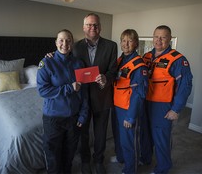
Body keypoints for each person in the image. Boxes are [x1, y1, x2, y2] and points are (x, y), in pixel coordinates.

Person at [37, 29, 89, 174]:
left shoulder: (78, 63)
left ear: (72, 43)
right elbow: (43, 91)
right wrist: (68, 88)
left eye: (68, 40)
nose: (64, 44)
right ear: (56, 42)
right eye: (61, 40)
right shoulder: (46, 63)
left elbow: (83, 92)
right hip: (53, 119)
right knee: (53, 156)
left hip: (73, 118)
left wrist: (83, 114)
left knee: (69, 154)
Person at [143, 25, 193, 174]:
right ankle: (145, 158)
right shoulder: (146, 57)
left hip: (163, 106)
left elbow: (185, 85)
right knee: (145, 134)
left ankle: (163, 168)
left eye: (163, 37)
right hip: (145, 102)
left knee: (161, 138)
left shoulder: (178, 59)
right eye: (156, 36)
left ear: (169, 39)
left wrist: (176, 109)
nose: (159, 40)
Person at [73, 13, 117, 174]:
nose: (93, 27)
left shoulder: (111, 46)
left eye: (96, 25)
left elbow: (113, 70)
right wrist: (49, 56)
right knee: (83, 133)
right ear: (84, 27)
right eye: (89, 25)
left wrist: (106, 78)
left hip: (102, 96)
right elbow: (65, 64)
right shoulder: (75, 46)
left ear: (100, 27)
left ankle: (98, 160)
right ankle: (85, 160)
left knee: (100, 133)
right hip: (82, 99)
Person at [111, 29, 148, 174]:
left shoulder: (139, 66)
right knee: (119, 136)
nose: (126, 44)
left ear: (136, 44)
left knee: (129, 141)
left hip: (128, 109)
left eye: (130, 40)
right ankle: (121, 158)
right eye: (123, 40)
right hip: (117, 106)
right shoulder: (120, 61)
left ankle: (130, 169)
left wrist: (131, 116)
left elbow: (139, 94)